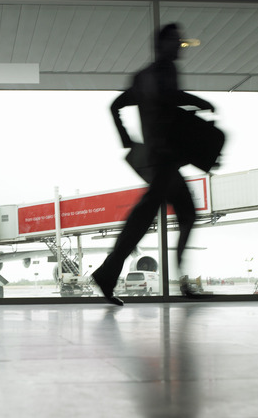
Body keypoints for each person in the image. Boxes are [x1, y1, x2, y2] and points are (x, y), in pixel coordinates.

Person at [91, 23, 217, 305]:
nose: (179, 46)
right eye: (175, 41)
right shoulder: (164, 73)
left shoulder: (142, 77)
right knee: (160, 216)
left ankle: (108, 273)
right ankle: (112, 274)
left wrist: (127, 139)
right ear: (161, 44)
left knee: (153, 216)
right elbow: (169, 101)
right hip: (165, 159)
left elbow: (116, 105)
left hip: (156, 159)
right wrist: (200, 102)